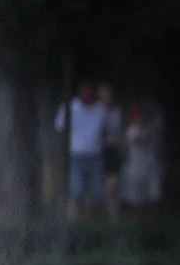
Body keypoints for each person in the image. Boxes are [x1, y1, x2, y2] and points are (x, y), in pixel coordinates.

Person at [55, 82, 108, 222]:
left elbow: (105, 131)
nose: (86, 92)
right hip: (76, 156)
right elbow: (60, 129)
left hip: (95, 156)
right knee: (76, 192)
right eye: (84, 89)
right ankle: (77, 221)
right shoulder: (69, 107)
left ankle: (87, 221)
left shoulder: (100, 109)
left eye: (89, 89)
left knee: (94, 194)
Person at [122, 103, 164, 219]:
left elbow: (158, 148)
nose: (138, 118)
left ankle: (154, 221)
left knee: (155, 196)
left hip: (151, 168)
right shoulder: (131, 130)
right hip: (136, 169)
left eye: (140, 115)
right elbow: (140, 139)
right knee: (137, 201)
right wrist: (154, 127)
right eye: (136, 116)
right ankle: (140, 222)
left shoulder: (150, 129)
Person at [99, 84, 124, 221]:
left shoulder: (117, 112)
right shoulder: (96, 112)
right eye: (102, 96)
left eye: (107, 96)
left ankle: (114, 218)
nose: (106, 99)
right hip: (97, 151)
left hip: (113, 151)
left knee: (113, 187)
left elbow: (122, 132)